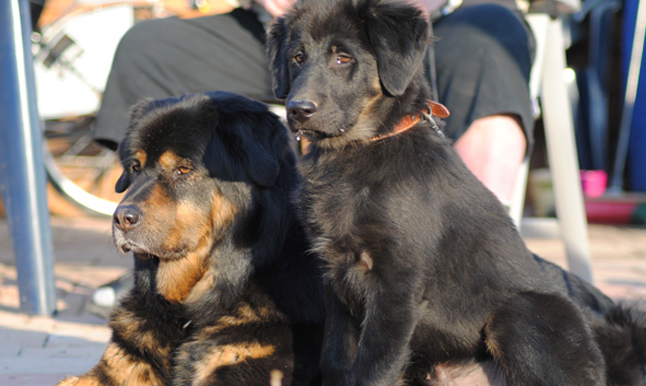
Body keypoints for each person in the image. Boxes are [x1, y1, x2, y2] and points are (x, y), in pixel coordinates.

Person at [89, 0, 535, 310]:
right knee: (145, 46)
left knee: (491, 34)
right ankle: (154, 248)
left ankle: (467, 266)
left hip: (403, 27)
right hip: (284, 32)